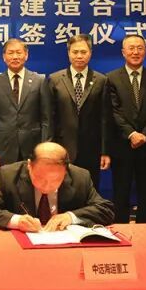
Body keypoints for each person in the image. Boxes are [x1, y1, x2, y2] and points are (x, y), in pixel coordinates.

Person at [0, 142, 114, 231]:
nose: (47, 186)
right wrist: (17, 221)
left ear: (66, 171)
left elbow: (105, 210)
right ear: (29, 166)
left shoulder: (80, 177)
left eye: (55, 180)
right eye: (40, 178)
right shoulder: (9, 175)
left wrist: (70, 217)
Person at [106, 34, 146, 223]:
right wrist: (131, 134)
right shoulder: (111, 78)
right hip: (122, 146)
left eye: (139, 48)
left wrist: (145, 135)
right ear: (123, 52)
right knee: (121, 192)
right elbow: (113, 111)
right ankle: (121, 229)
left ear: (145, 51)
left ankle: (144, 230)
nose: (135, 52)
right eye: (131, 48)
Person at [49, 34, 111, 190]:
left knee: (89, 191)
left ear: (90, 53)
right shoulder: (55, 79)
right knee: (63, 191)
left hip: (91, 149)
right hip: (62, 148)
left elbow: (105, 119)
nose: (79, 56)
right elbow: (49, 118)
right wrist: (49, 149)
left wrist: (105, 151)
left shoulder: (101, 80)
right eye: (75, 52)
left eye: (83, 52)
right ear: (68, 53)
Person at [0, 38, 51, 171]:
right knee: (7, 183)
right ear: (4, 57)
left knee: (33, 182)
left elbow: (46, 119)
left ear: (26, 55)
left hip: (33, 146)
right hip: (5, 148)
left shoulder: (39, 81)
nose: (15, 57)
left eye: (19, 52)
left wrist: (45, 148)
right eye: (10, 53)